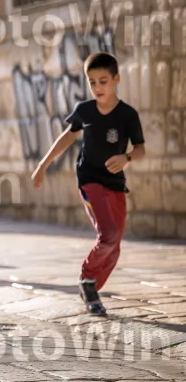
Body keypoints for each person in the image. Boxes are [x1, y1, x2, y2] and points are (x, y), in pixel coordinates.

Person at [31, 52, 146, 316]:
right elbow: (67, 137)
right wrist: (42, 165)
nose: (97, 88)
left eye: (103, 81)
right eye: (92, 82)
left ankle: (91, 287)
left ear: (116, 79)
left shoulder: (127, 115)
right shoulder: (84, 110)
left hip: (115, 183)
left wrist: (126, 157)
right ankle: (88, 278)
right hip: (89, 180)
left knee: (114, 246)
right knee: (108, 235)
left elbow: (140, 149)